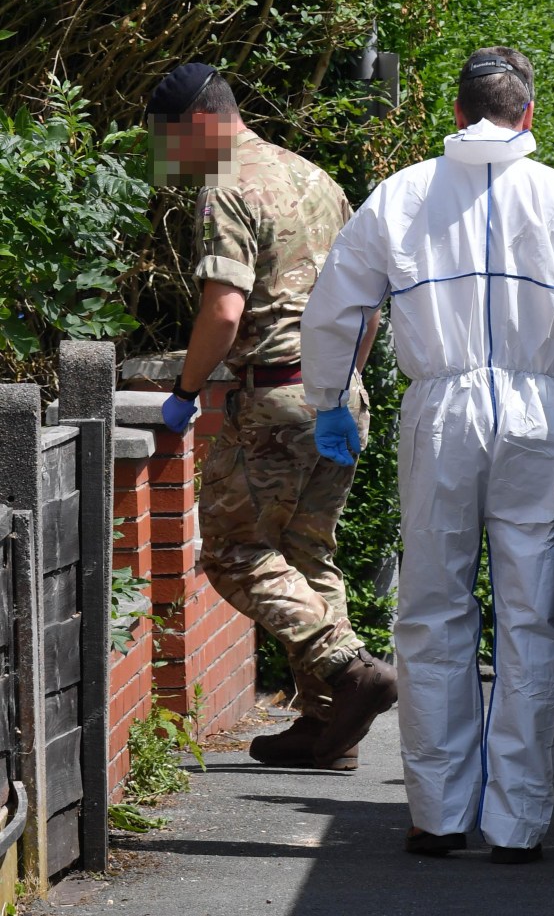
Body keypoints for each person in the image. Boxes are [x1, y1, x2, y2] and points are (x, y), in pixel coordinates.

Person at [300, 46, 554, 862]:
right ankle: (517, 824)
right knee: (531, 614)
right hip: (540, 412)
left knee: (431, 609)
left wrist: (326, 400)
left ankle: (439, 813)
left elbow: (336, 302)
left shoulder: (403, 193)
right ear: (527, 114)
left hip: (440, 409)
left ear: (455, 113)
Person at [147, 62, 396, 773]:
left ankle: (344, 668)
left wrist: (188, 390)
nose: (172, 157)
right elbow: (367, 300)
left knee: (233, 553)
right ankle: (328, 728)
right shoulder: (315, 178)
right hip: (338, 397)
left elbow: (223, 311)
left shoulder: (227, 187)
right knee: (307, 549)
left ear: (199, 121)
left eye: (170, 139)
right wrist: (343, 381)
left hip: (274, 399)